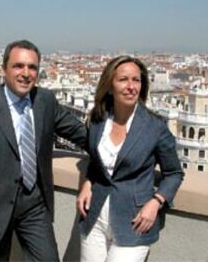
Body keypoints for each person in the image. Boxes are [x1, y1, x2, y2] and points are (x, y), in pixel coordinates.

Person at [0, 39, 86, 261]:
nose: (26, 73)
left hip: (34, 205)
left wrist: (119, 149)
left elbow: (78, 132)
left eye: (32, 67)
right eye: (18, 66)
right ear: (4, 69)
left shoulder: (45, 101)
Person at [77, 55, 184, 262]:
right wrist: (88, 182)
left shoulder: (155, 127)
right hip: (95, 217)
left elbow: (174, 174)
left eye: (136, 80)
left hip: (135, 221)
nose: (131, 86)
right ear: (109, 86)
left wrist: (156, 202)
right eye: (123, 80)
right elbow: (97, 162)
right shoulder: (98, 120)